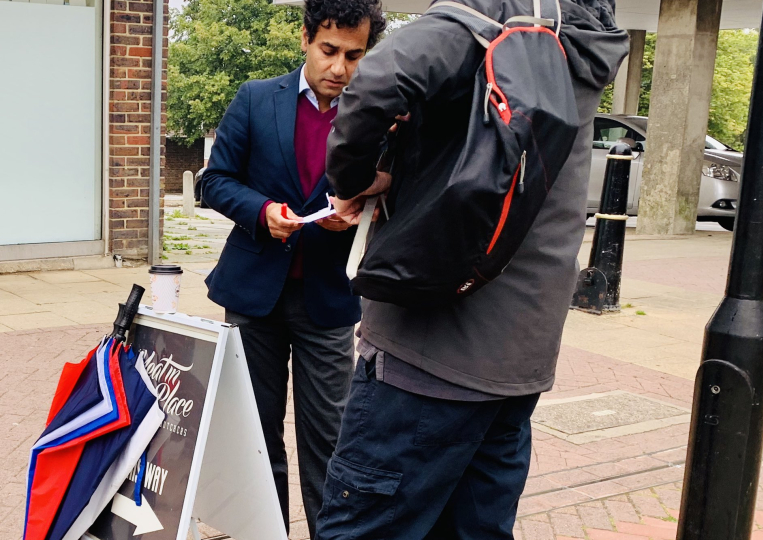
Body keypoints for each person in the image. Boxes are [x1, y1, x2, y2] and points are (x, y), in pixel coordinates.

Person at [317, 0, 628, 538]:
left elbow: (375, 86)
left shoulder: (486, 14)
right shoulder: (583, 35)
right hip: (522, 352)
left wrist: (353, 180)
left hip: (430, 353)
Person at [200, 1, 386, 536]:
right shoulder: (257, 98)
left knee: (330, 439)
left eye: (354, 55)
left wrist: (359, 208)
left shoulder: (377, 113)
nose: (340, 68)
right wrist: (261, 211)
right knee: (256, 437)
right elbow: (214, 180)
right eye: (329, 50)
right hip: (254, 295)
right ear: (306, 37)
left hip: (328, 298)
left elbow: (394, 184)